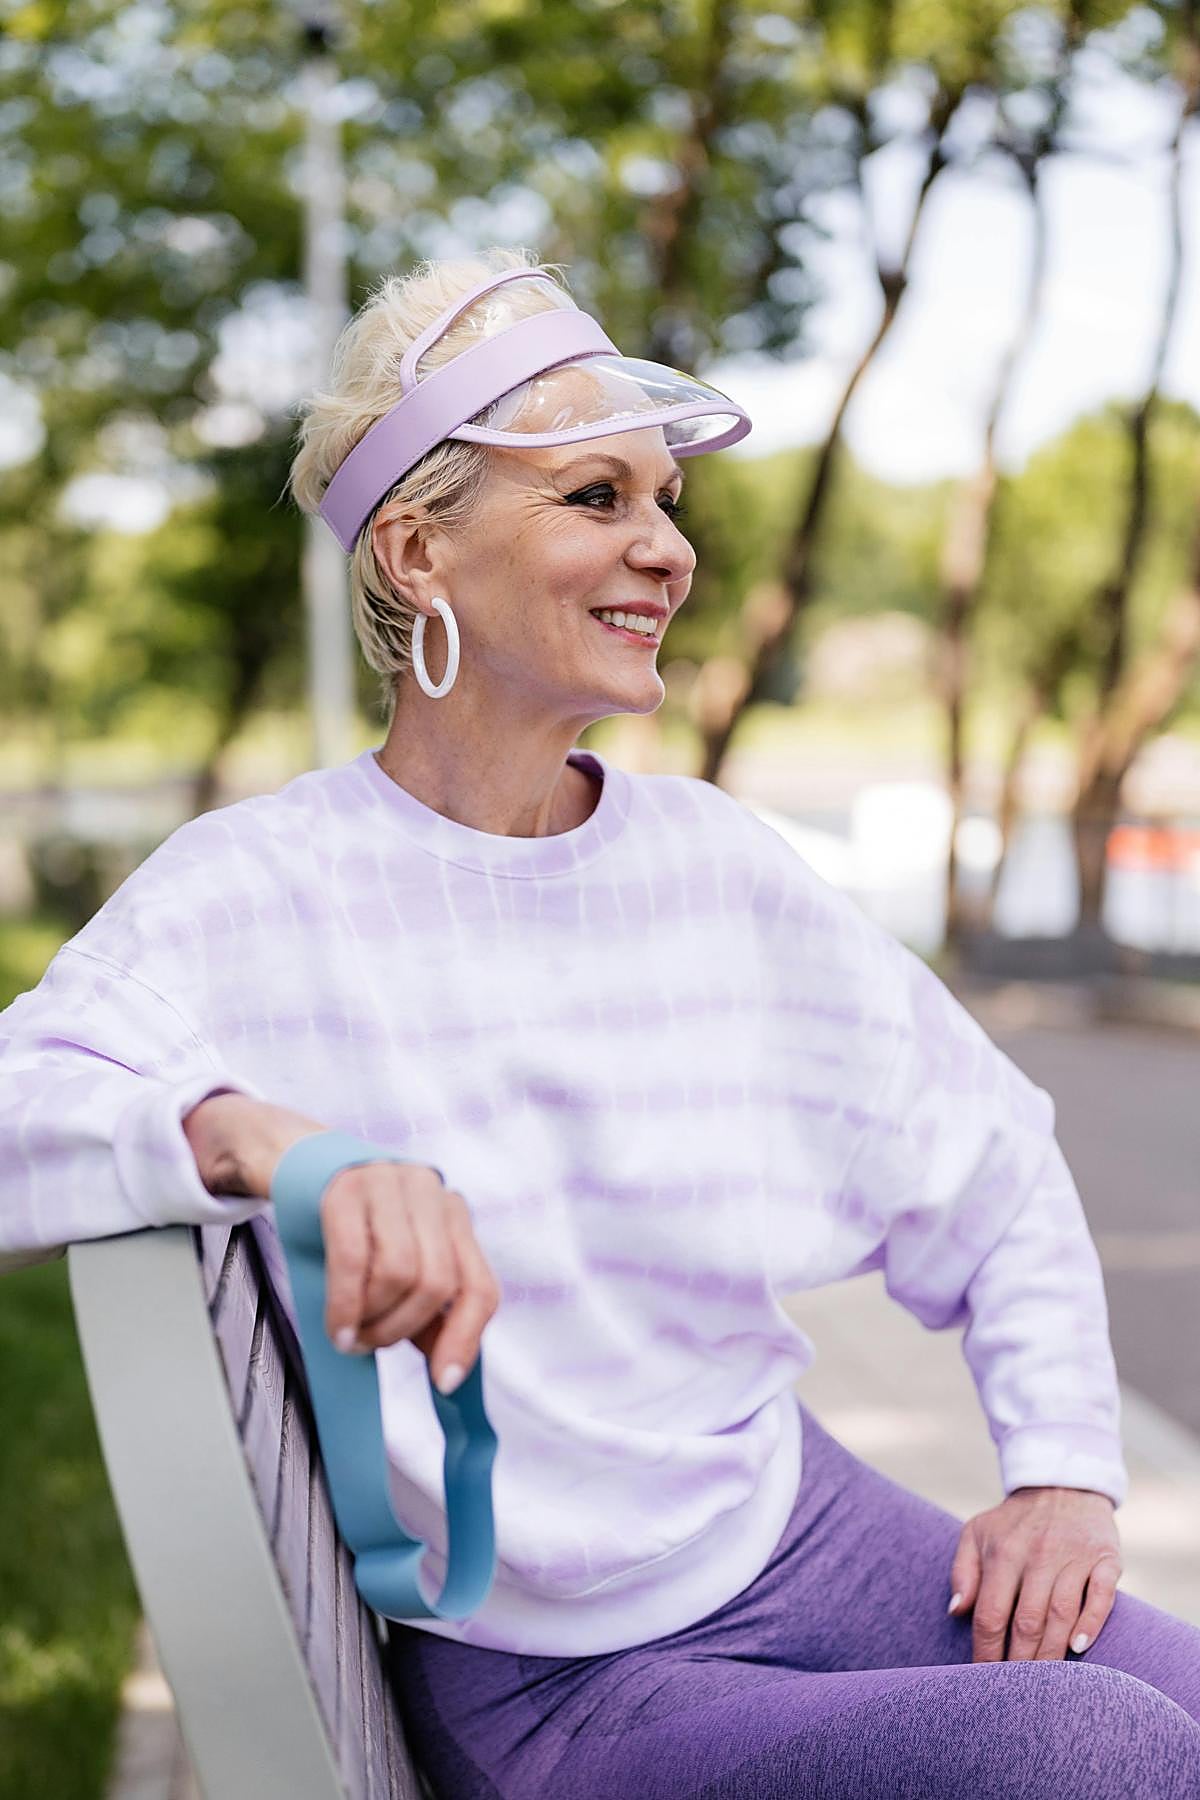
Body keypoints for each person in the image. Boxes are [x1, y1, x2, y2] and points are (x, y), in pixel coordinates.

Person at [2, 246, 1199, 1799]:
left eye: (665, 503)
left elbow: (998, 1169)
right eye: (595, 498)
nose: (666, 550)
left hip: (802, 1533)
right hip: (556, 1681)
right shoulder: (257, 891)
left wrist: (1061, 1474)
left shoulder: (719, 872)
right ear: (420, 551)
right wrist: (267, 1141)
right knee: (1091, 1757)